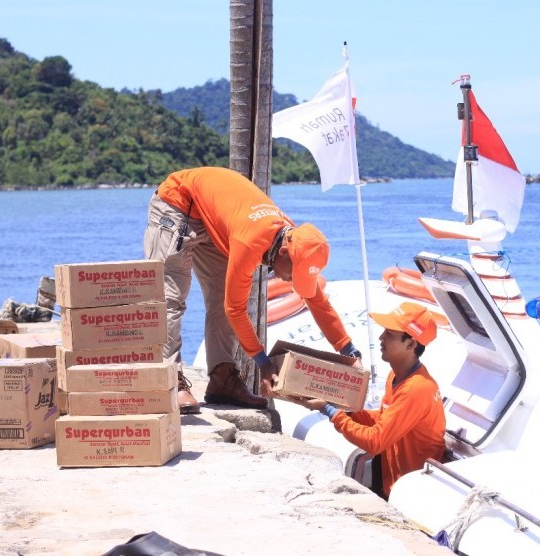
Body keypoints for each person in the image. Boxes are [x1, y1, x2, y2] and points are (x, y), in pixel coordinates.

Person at [143, 166, 361, 414]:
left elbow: (317, 301)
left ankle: (222, 379)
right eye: (293, 273)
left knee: (220, 295)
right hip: (179, 203)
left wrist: (348, 350)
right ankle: (170, 382)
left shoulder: (294, 238)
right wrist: (263, 362)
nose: (289, 280)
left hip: (217, 215)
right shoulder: (251, 242)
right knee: (171, 298)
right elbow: (235, 310)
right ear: (283, 253)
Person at [291, 302, 446, 499]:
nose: (381, 338)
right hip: (397, 488)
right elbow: (382, 419)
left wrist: (329, 411)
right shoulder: (396, 375)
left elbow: (375, 441)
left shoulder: (416, 389)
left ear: (411, 344)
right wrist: (346, 409)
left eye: (390, 334)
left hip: (416, 495)